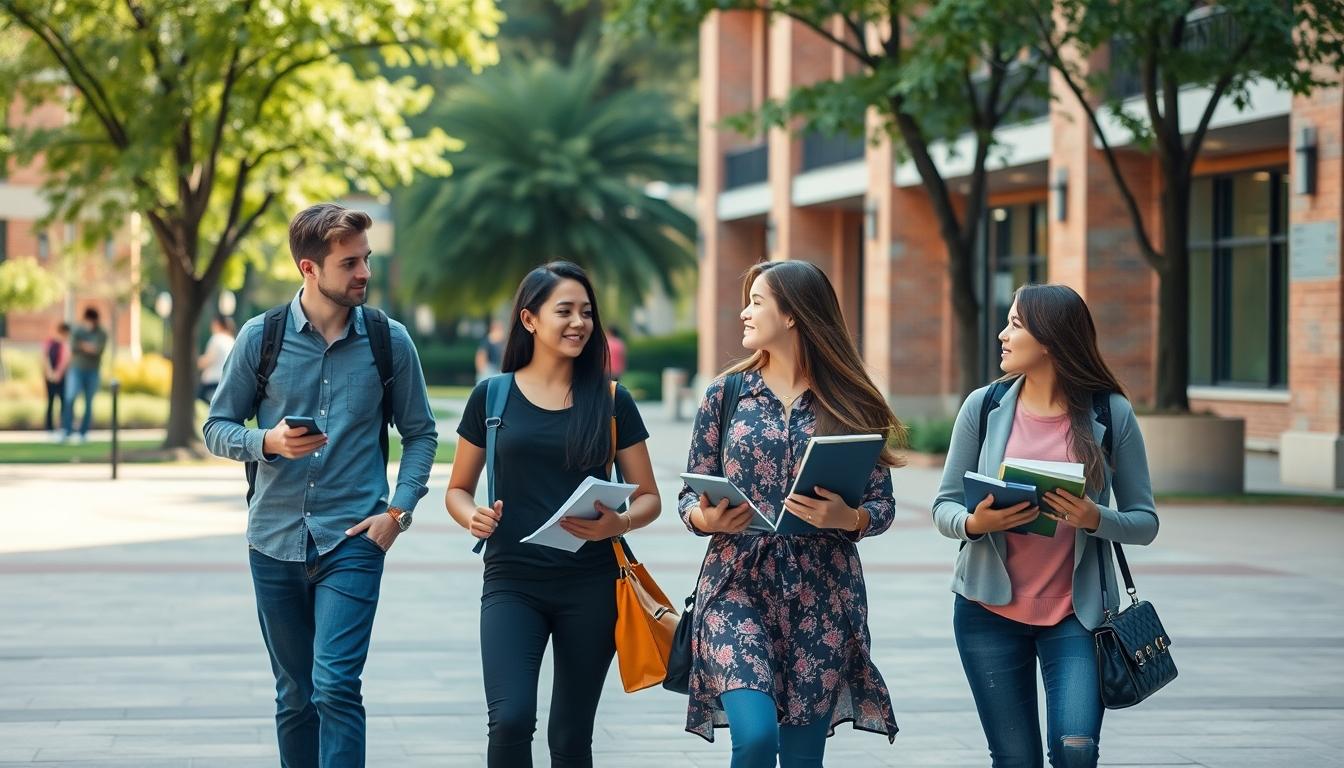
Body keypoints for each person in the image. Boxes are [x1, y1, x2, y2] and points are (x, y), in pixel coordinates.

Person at [203, 203, 438, 768]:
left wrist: (397, 512)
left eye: (367, 260)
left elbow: (421, 434)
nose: (365, 273)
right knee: (296, 695)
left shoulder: (389, 340)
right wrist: (268, 443)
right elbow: (216, 426)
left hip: (353, 538)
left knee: (334, 684)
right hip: (274, 538)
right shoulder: (262, 338)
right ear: (310, 269)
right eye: (350, 262)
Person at [677, 260, 902, 766]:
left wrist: (849, 518)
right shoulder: (725, 393)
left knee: (802, 758)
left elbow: (881, 504)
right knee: (756, 736)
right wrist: (703, 519)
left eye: (757, 301)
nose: (744, 312)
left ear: (794, 314)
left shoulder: (852, 401)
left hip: (823, 593)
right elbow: (689, 494)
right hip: (736, 580)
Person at [931, 283, 1159, 768]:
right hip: (986, 612)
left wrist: (1094, 518)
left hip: (1077, 617)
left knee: (1076, 750)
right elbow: (944, 506)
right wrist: (975, 522)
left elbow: (1145, 522)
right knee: (1015, 759)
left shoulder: (1109, 413)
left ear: (1051, 340)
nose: (1002, 334)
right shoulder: (984, 406)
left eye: (1015, 324)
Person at [445, 261, 661, 768]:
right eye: (564, 310)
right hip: (510, 582)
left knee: (570, 737)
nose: (578, 323)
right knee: (511, 717)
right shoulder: (491, 397)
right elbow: (457, 488)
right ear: (529, 319)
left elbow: (649, 496)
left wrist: (620, 523)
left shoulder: (611, 401)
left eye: (586, 312)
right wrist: (470, 515)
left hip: (591, 585)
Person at [63, 307, 108, 443]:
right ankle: (67, 430)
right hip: (76, 369)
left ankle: (83, 432)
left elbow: (97, 349)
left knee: (89, 402)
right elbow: (73, 346)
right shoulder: (77, 330)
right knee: (70, 398)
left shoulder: (101, 333)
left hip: (93, 371)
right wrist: (88, 346)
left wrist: (83, 345)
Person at [197, 314, 237, 405]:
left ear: (217, 324)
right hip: (225, 381)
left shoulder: (217, 338)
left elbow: (209, 360)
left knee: (199, 402)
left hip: (211, 382)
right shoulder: (232, 340)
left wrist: (194, 363)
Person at [42, 322, 71, 437]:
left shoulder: (65, 345)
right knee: (50, 401)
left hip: (61, 378)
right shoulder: (49, 343)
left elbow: (65, 360)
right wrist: (50, 372)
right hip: (49, 377)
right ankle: (49, 428)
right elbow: (45, 357)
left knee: (63, 402)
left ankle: (63, 427)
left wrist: (58, 373)